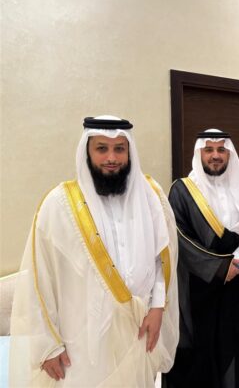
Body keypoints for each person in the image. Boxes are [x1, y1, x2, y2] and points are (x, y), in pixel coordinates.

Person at [9, 115, 179, 387]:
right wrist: (47, 345)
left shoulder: (151, 196)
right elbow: (40, 280)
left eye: (119, 149)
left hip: (137, 330)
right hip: (81, 342)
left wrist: (158, 306)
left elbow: (163, 259)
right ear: (87, 151)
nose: (111, 158)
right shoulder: (59, 204)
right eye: (101, 148)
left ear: (129, 152)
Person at [163, 129, 239, 388]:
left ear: (229, 154)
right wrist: (220, 267)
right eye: (209, 149)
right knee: (203, 359)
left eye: (221, 149)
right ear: (199, 153)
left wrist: (238, 264)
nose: (215, 155)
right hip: (202, 290)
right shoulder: (182, 190)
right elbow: (179, 238)